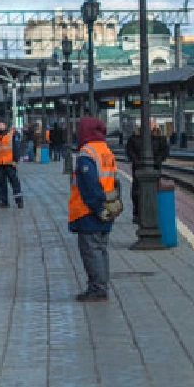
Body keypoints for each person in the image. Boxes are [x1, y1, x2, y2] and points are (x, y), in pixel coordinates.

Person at [69, 115, 117, 302]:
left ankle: (97, 289)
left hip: (89, 212)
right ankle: (100, 285)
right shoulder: (106, 150)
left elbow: (89, 186)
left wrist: (97, 208)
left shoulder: (87, 153)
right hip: (107, 207)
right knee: (102, 249)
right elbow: (113, 182)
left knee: (91, 251)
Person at [125, 119, 171, 224]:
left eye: (150, 123)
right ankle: (137, 213)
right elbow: (129, 151)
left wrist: (156, 161)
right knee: (137, 191)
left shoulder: (160, 138)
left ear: (155, 125)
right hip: (138, 169)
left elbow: (164, 151)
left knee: (154, 190)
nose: (148, 125)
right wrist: (137, 161)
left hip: (155, 168)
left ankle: (152, 212)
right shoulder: (134, 138)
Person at [0, 120, 23, 209]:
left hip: (9, 162)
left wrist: (16, 160)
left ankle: (19, 200)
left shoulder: (12, 134)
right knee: (2, 183)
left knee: (14, 181)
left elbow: (16, 148)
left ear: (6, 125)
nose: (0, 126)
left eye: (1, 124)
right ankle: (4, 201)